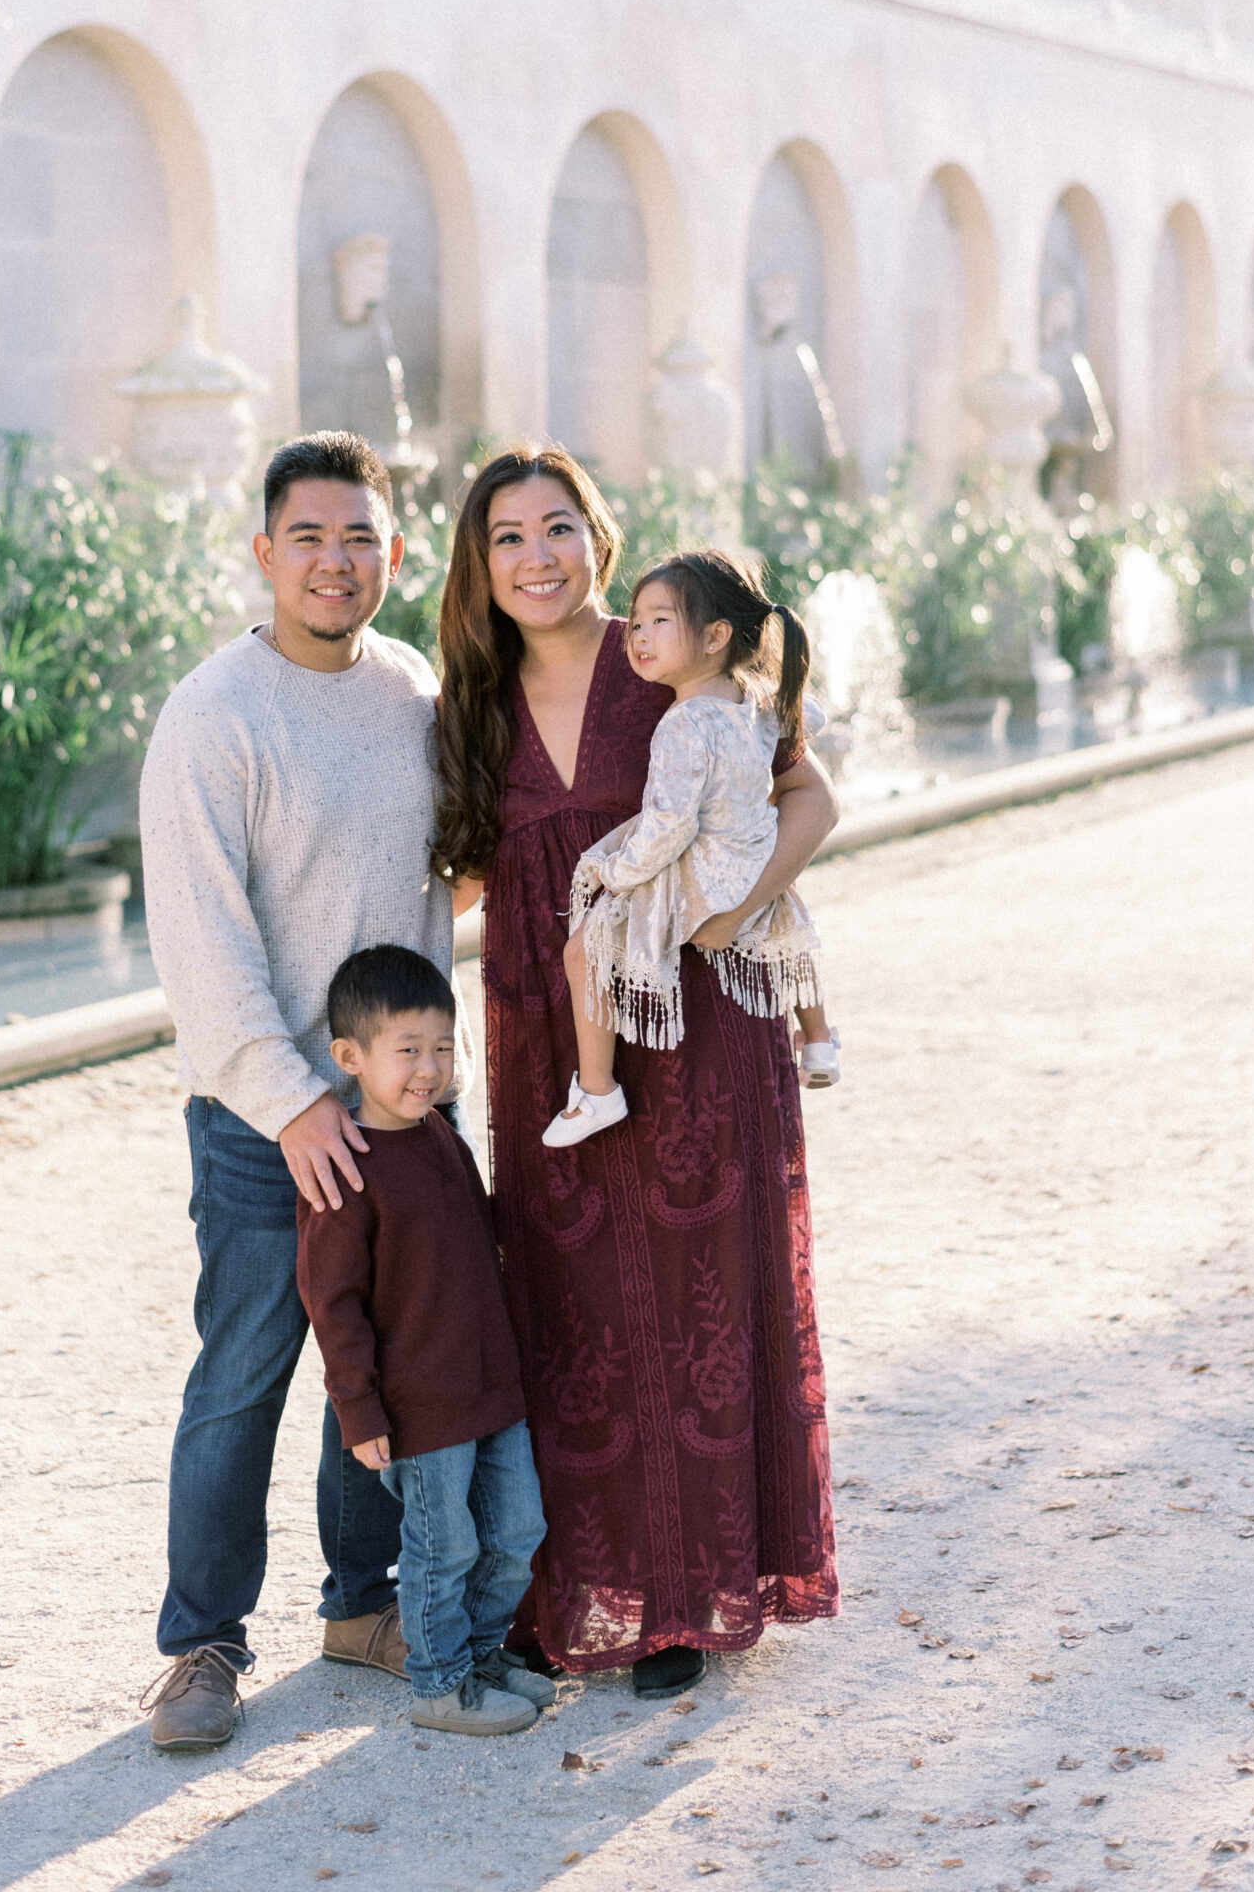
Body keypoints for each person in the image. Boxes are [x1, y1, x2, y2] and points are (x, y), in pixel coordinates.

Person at [432, 446, 841, 1701]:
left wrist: (735, 913)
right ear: (478, 562)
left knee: (698, 1293)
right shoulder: (469, 700)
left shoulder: (661, 654)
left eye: (557, 527)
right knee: (571, 1307)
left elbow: (809, 800)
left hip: (694, 1019)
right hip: (544, 1029)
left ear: (597, 540)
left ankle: (687, 1597)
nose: (535, 555)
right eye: (507, 536)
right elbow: (449, 874)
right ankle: (576, 1589)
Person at [137, 431, 474, 1752]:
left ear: (394, 553)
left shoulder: (410, 692)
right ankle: (202, 1643)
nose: (336, 562)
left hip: (399, 1116)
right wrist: (293, 1103)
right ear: (264, 553)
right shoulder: (216, 716)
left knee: (380, 1373)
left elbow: (439, 884)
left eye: (361, 540)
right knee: (245, 1375)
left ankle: (362, 1605)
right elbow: (201, 947)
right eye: (310, 538)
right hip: (260, 1124)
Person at [299, 944, 550, 1737]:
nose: (428, 1068)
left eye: (442, 1048)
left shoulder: (441, 1136)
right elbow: (331, 1305)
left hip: (490, 1389)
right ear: (349, 1057)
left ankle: (476, 1655)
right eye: (407, 1051)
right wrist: (359, 1413)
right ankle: (439, 1684)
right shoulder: (347, 1170)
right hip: (419, 1409)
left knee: (516, 1533)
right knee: (443, 1549)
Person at [548, 549, 837, 1147]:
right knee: (788, 924)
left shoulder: (683, 723)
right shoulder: (754, 699)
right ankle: (819, 1041)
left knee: (584, 950)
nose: (639, 636)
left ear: (715, 636)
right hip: (757, 853)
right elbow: (810, 714)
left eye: (660, 620)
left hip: (705, 871)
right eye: (636, 621)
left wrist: (618, 874)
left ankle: (596, 1090)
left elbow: (669, 825)